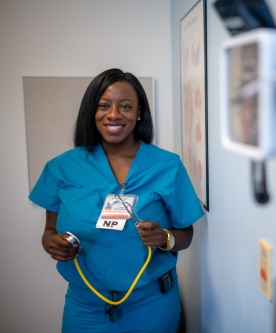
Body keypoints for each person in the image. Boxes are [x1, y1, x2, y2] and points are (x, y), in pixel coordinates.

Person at [29, 68, 204, 333]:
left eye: (125, 106)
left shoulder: (167, 166)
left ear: (138, 112)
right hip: (85, 307)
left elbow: (186, 234)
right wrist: (53, 245)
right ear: (92, 112)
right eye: (103, 105)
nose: (113, 115)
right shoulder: (61, 168)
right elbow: (49, 232)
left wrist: (164, 238)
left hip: (152, 305)